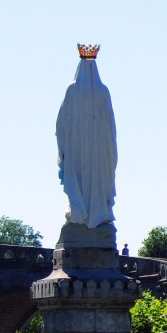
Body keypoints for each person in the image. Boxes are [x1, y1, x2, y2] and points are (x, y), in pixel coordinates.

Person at [56, 44, 117, 229]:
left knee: (78, 181)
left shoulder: (72, 90)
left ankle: (78, 214)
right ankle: (99, 213)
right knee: (97, 180)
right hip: (99, 152)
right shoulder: (103, 91)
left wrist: (63, 147)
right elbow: (111, 126)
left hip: (76, 149)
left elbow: (61, 124)